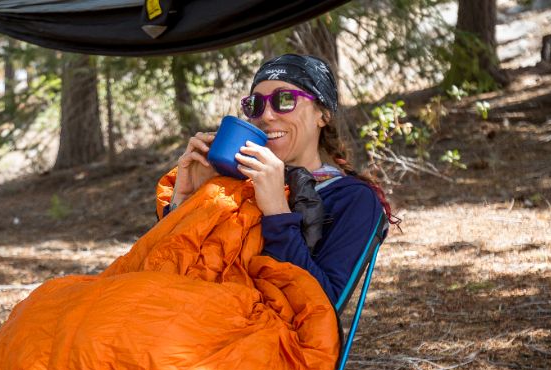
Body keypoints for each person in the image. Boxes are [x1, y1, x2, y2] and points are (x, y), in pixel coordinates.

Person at [167, 53, 395, 308]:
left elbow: (323, 308)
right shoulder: (234, 186)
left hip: (259, 337)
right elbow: (171, 268)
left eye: (284, 100)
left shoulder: (352, 199)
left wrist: (277, 211)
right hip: (188, 311)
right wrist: (184, 202)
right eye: (255, 105)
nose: (266, 116)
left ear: (323, 114)